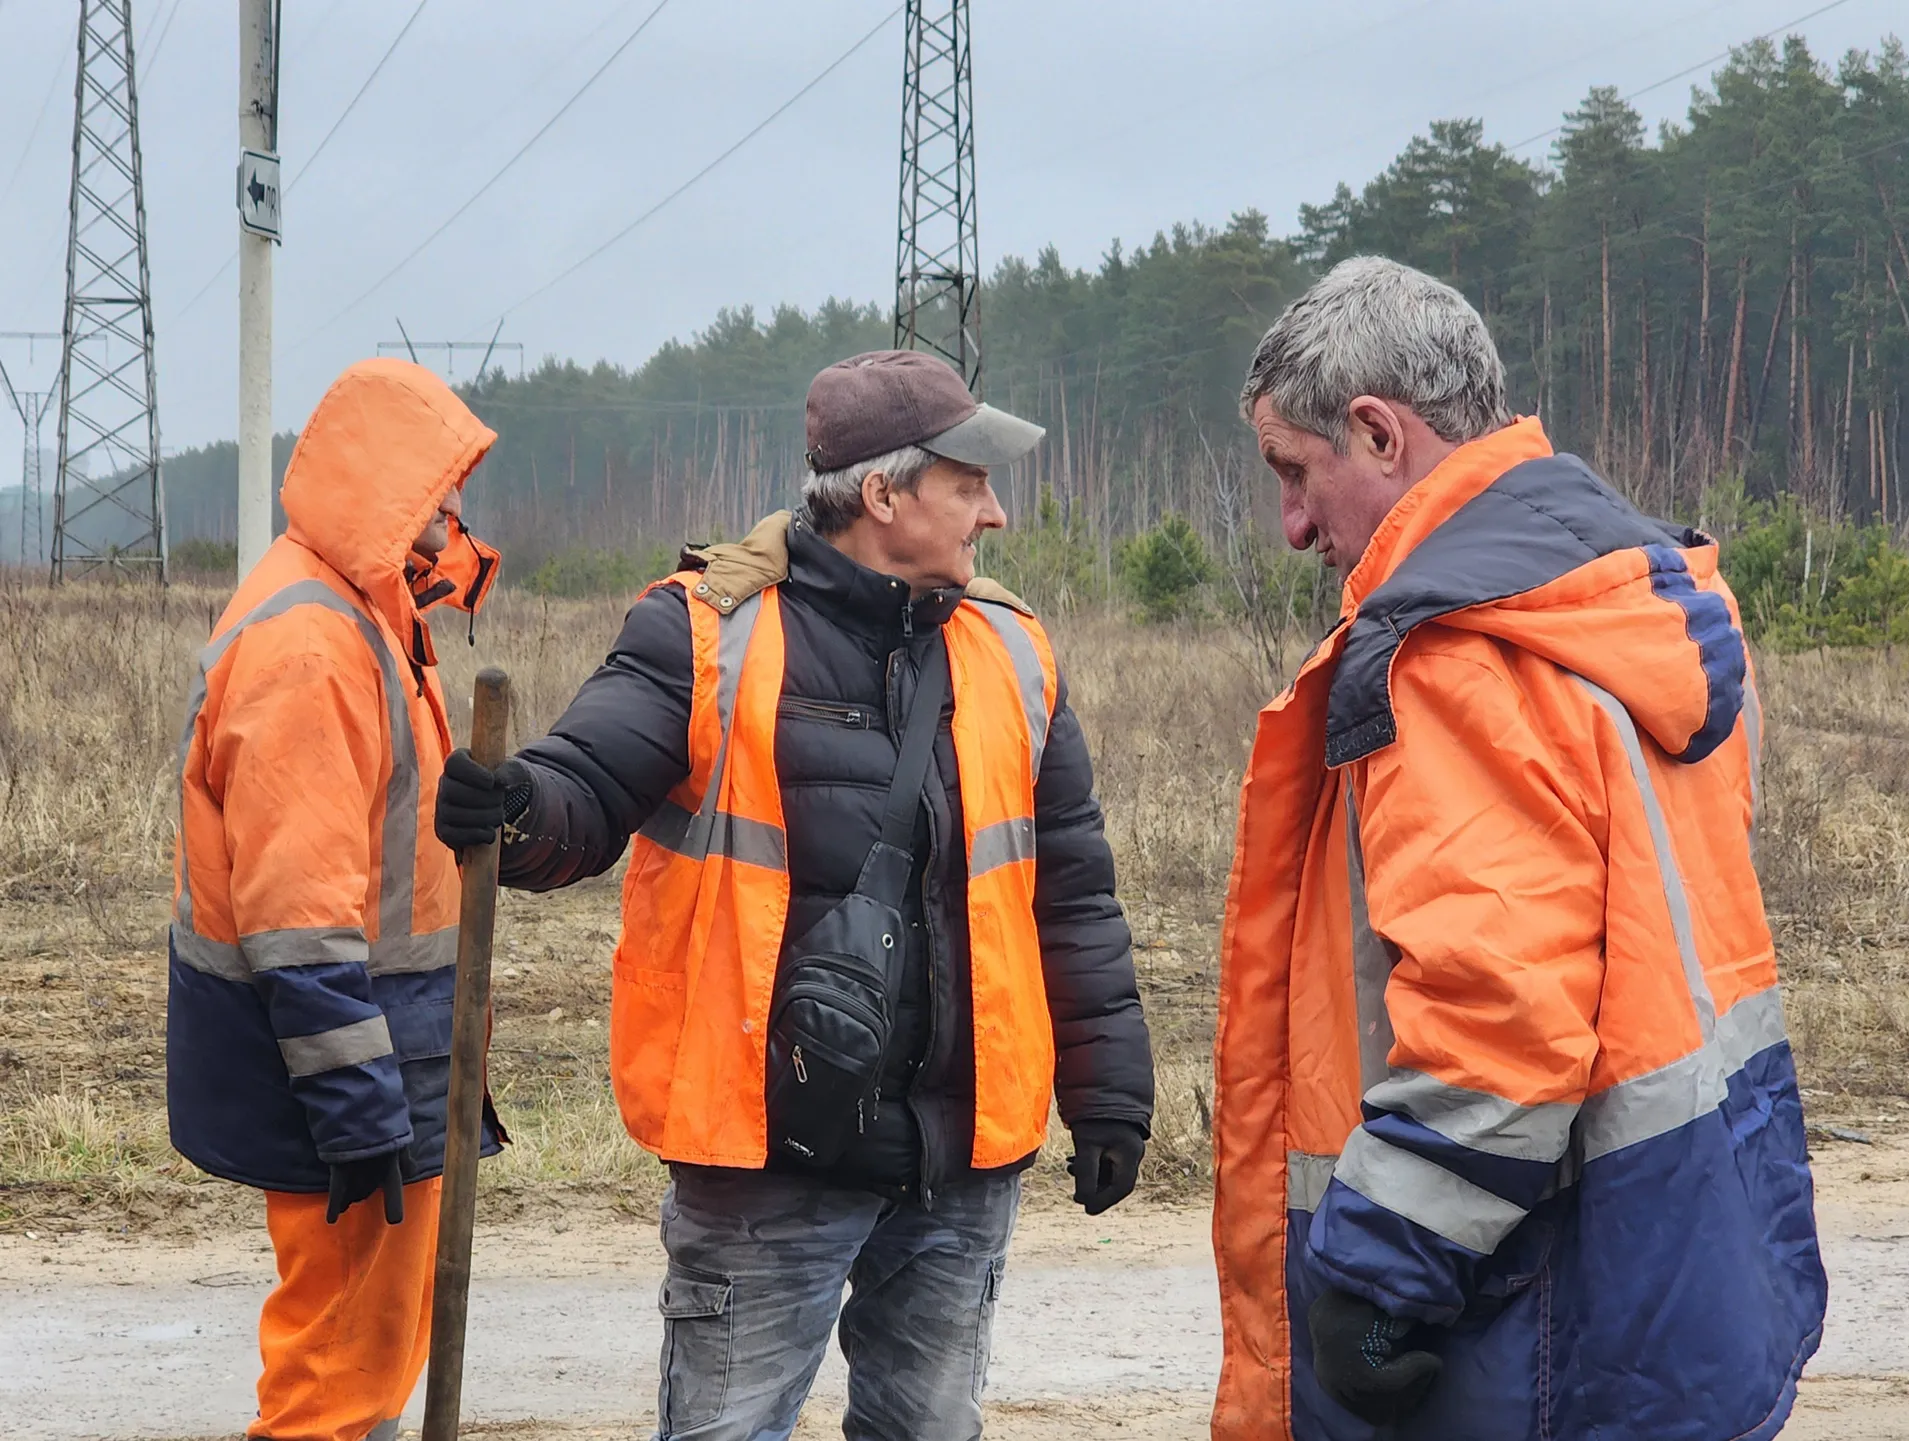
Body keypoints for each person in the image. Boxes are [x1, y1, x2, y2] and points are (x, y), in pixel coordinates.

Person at [435, 349, 1155, 1441]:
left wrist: (1109, 1093)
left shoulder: (1014, 650)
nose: (995, 513)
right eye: (970, 484)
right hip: (764, 1159)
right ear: (882, 495)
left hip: (958, 1160)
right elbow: (586, 784)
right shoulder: (704, 631)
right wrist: (518, 807)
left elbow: (1071, 887)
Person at [1211, 257, 1825, 1440]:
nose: (1293, 526)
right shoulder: (1622, 605)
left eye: (1295, 472)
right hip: (1679, 1258)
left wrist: (1379, 1276)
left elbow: (1498, 1021)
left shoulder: (1456, 654)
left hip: (1523, 1318)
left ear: (1379, 433)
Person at [167, 358, 505, 1441]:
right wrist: (360, 1111)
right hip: (346, 1086)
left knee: (366, 1366)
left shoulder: (367, 609)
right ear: (379, 485)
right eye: (435, 486)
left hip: (380, 1064)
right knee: (335, 1383)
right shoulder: (312, 643)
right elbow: (299, 920)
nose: (453, 511)